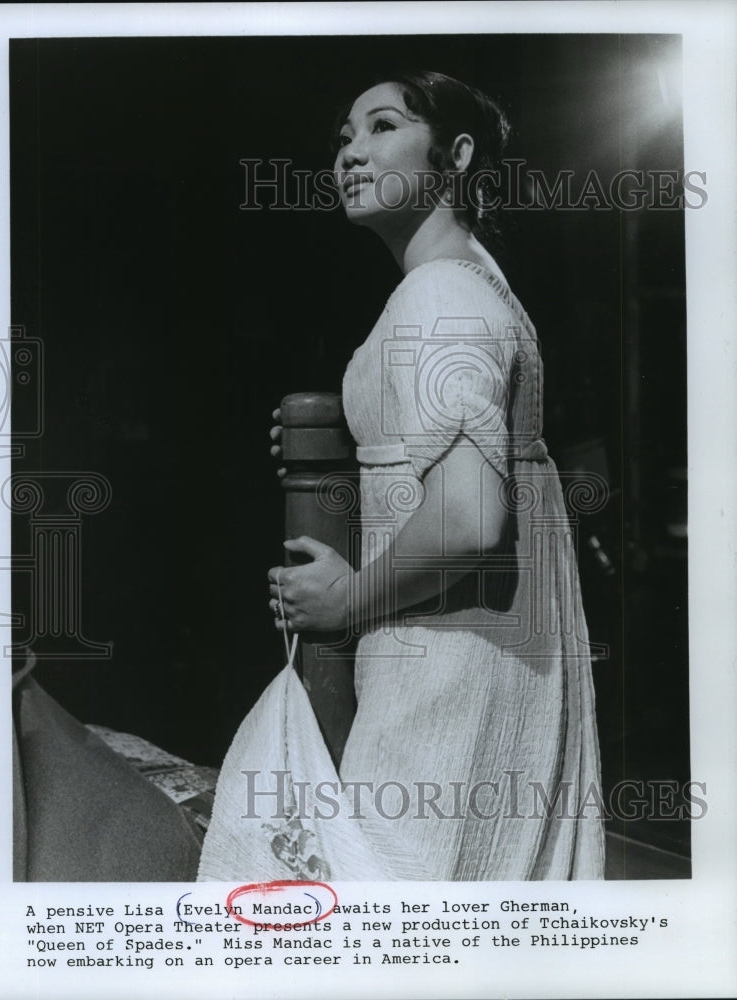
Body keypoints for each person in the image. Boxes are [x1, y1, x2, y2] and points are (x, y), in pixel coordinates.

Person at [199, 71, 604, 882]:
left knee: (392, 892)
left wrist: (345, 599)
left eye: (382, 127)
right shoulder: (479, 285)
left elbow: (465, 519)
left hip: (449, 660)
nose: (351, 153)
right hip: (489, 654)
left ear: (454, 155)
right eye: (343, 137)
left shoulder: (436, 296)